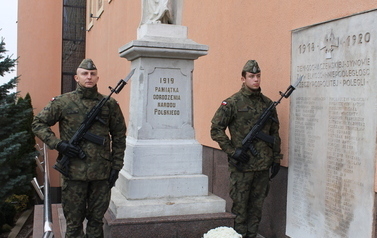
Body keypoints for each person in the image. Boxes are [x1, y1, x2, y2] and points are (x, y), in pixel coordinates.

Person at [32, 59, 126, 238]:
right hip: (73, 173)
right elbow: (38, 123)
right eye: (84, 74)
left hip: (101, 174)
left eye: (92, 74)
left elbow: (120, 136)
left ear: (98, 78)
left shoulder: (109, 105)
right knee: (74, 226)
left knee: (96, 223)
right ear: (77, 77)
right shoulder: (63, 102)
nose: (88, 77)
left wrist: (116, 167)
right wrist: (59, 144)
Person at [210, 60, 282, 238]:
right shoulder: (232, 103)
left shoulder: (267, 104)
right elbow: (216, 129)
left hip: (262, 166)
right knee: (240, 210)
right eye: (251, 76)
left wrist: (276, 158)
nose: (255, 80)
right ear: (243, 78)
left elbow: (275, 133)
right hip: (242, 167)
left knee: (257, 209)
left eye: (258, 76)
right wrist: (232, 151)